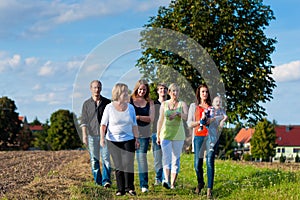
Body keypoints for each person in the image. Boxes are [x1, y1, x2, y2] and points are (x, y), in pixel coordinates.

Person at [100, 83, 140, 196]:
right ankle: (120, 189)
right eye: (124, 92)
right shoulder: (109, 107)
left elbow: (134, 125)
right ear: (118, 94)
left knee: (128, 163)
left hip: (128, 139)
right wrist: (102, 138)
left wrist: (137, 139)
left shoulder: (130, 107)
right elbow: (103, 125)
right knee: (118, 165)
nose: (127, 94)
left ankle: (130, 188)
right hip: (113, 140)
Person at [187, 83, 217, 199]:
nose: (205, 94)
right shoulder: (193, 107)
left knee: (210, 161)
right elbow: (189, 123)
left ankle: (209, 189)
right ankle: (201, 182)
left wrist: (212, 120)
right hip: (198, 136)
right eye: (203, 92)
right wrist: (200, 122)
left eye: (206, 92)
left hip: (210, 136)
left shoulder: (212, 107)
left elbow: (217, 121)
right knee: (197, 164)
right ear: (199, 93)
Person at [80, 80, 111, 188]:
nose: (97, 90)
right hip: (92, 135)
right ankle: (98, 182)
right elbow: (83, 121)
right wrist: (84, 135)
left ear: (101, 88)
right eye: (95, 87)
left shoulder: (107, 102)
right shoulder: (86, 104)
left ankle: (106, 181)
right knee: (94, 160)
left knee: (106, 158)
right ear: (91, 89)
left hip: (106, 136)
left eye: (98, 87)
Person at [156, 83, 188, 189]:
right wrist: (158, 135)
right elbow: (160, 120)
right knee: (166, 157)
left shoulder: (182, 104)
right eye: (173, 91)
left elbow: (187, 117)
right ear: (169, 92)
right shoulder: (164, 104)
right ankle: (166, 180)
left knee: (175, 159)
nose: (175, 93)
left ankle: (173, 183)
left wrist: (179, 114)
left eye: (177, 91)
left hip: (178, 135)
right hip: (165, 134)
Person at [130, 79, 154, 193]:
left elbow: (151, 119)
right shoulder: (130, 100)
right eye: (140, 89)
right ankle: (128, 185)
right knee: (128, 159)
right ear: (136, 89)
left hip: (144, 134)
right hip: (129, 133)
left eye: (144, 89)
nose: (142, 91)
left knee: (141, 159)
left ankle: (144, 185)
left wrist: (138, 117)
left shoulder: (150, 102)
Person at [151, 83, 168, 186]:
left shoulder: (170, 103)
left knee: (167, 157)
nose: (163, 91)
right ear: (158, 91)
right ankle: (158, 178)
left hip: (169, 133)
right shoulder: (153, 104)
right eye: (161, 89)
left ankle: (165, 178)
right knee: (157, 157)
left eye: (165, 89)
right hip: (155, 133)